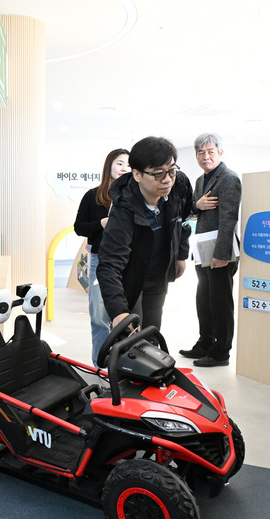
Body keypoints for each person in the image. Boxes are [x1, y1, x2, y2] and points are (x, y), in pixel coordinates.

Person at [97, 136, 193, 336]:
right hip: (132, 277)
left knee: (152, 331)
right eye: (158, 173)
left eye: (171, 170)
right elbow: (109, 264)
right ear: (137, 174)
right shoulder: (123, 209)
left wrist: (181, 255)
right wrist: (119, 312)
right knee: (130, 333)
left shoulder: (180, 184)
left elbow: (183, 220)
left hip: (159, 274)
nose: (167, 179)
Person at [179, 134, 242, 367]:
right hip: (202, 249)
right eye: (200, 152)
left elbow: (228, 219)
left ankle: (221, 352)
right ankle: (205, 342)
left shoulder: (228, 179)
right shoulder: (200, 180)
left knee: (220, 303)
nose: (205, 157)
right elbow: (190, 211)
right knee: (203, 300)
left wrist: (221, 255)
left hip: (220, 252)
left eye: (210, 151)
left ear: (220, 153)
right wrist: (197, 206)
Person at [74, 148, 130, 366]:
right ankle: (101, 365)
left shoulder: (135, 197)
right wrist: (101, 223)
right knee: (99, 315)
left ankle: (126, 365)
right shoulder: (93, 195)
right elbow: (79, 227)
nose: (124, 168)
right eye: (119, 163)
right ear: (109, 166)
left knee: (127, 315)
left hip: (130, 261)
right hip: (100, 259)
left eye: (128, 164)